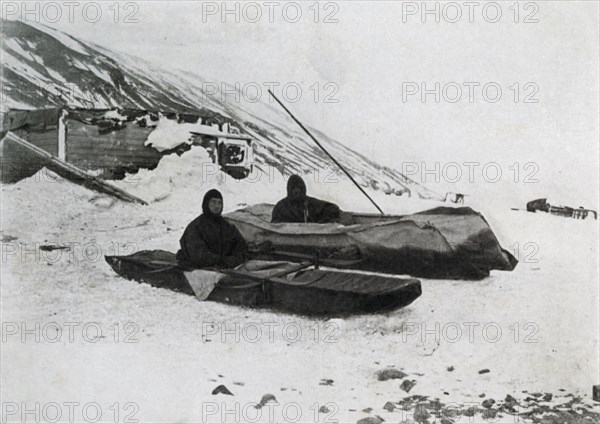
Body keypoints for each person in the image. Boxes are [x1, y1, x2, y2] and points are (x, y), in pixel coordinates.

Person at [176, 189, 248, 270]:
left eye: (219, 203)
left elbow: (242, 247)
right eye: (213, 202)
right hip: (198, 270)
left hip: (225, 269)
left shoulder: (227, 226)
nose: (217, 206)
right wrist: (222, 260)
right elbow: (198, 255)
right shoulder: (196, 227)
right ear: (206, 203)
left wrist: (234, 260)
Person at [271, 174, 342, 224]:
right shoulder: (281, 206)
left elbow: (332, 208)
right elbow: (275, 223)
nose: (296, 191)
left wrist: (320, 223)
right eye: (293, 188)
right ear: (289, 190)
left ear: (303, 189)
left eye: (299, 188)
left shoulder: (311, 202)